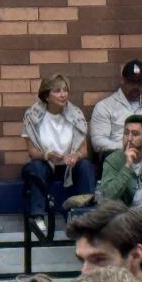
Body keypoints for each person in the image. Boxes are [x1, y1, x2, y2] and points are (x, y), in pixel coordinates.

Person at [22, 74, 95, 235]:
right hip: (46, 163)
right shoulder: (32, 115)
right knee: (35, 167)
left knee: (86, 165)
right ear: (46, 95)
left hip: (69, 164)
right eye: (57, 91)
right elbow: (32, 152)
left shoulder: (76, 113)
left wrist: (75, 156)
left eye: (65, 90)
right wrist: (47, 155)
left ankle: (87, 215)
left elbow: (84, 150)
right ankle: (37, 218)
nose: (63, 95)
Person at [89, 60, 142, 159]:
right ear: (123, 80)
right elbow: (98, 142)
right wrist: (128, 147)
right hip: (118, 157)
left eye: (139, 82)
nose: (136, 86)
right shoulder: (105, 107)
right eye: (132, 82)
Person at [97, 114, 142, 209]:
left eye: (135, 134)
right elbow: (108, 197)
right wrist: (127, 166)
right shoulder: (113, 160)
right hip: (126, 216)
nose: (129, 138)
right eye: (126, 133)